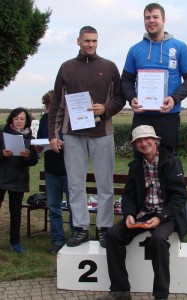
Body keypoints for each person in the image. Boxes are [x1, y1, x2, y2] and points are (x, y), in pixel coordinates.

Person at [48, 26, 125, 248]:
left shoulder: (109, 67)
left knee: (105, 183)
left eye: (94, 41)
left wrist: (106, 109)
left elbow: (120, 98)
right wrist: (54, 134)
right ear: (78, 41)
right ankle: (80, 228)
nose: (90, 44)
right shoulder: (66, 68)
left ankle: (104, 228)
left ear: (97, 42)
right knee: (75, 184)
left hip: (102, 132)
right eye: (87, 41)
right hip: (73, 133)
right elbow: (56, 104)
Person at [98, 125, 187, 300]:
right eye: (139, 141)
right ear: (135, 146)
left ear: (156, 140)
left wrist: (160, 217)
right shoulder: (136, 166)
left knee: (158, 239)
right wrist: (130, 215)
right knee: (113, 234)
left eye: (147, 138)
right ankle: (120, 290)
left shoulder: (171, 161)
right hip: (144, 213)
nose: (144, 143)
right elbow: (129, 195)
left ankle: (161, 295)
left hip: (168, 214)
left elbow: (180, 197)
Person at [121, 3, 187, 153]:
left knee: (168, 159)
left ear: (164, 20)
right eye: (147, 17)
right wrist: (131, 98)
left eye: (155, 17)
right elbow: (125, 80)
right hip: (142, 115)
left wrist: (175, 98)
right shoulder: (135, 49)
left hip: (168, 114)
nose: (151, 20)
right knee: (140, 158)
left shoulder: (180, 47)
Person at [36, 90, 73, 254]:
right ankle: (57, 240)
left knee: (74, 207)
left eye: (52, 107)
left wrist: (66, 144)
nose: (49, 110)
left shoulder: (71, 120)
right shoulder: (44, 119)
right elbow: (40, 140)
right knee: (54, 208)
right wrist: (38, 147)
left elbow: (81, 143)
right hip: (51, 170)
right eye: (47, 107)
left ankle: (76, 237)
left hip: (71, 170)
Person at [0, 107, 39, 253]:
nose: (19, 121)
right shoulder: (2, 135)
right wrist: (2, 153)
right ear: (11, 119)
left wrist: (28, 155)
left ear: (26, 121)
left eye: (22, 119)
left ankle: (15, 242)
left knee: (15, 212)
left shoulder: (31, 139)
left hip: (19, 179)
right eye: (16, 118)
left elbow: (34, 161)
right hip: (1, 176)